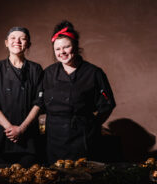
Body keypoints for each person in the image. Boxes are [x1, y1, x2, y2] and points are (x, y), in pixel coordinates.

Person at [43, 20, 116, 164]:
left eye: (66, 47)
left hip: (83, 138)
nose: (62, 52)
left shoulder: (94, 73)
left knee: (83, 179)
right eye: (57, 49)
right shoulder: (48, 73)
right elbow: (39, 103)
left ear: (75, 46)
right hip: (54, 139)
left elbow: (107, 105)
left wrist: (91, 125)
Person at [0, 27, 44, 167]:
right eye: (13, 38)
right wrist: (10, 128)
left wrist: (21, 129)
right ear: (6, 43)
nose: (17, 41)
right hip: (3, 137)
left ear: (28, 44)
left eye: (22, 39)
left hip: (28, 137)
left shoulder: (36, 69)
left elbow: (39, 102)